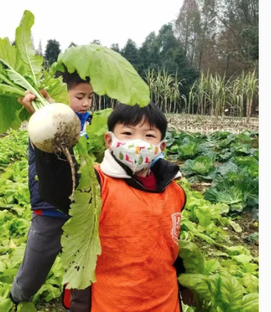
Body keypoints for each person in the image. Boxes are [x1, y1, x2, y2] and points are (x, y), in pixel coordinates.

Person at [31, 101, 186, 312]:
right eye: (128, 133)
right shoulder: (95, 184)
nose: (138, 143)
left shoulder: (174, 191)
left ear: (161, 147)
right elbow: (57, 188)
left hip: (164, 301)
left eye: (149, 136)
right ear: (109, 140)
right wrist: (50, 130)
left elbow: (169, 246)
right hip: (111, 302)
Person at [10, 72, 93, 307]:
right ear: (58, 97)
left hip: (82, 212)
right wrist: (41, 116)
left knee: (81, 267)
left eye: (90, 97)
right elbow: (46, 156)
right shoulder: (41, 125)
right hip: (49, 211)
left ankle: (73, 304)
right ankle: (17, 297)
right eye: (79, 96)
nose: (85, 103)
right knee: (34, 267)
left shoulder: (90, 123)